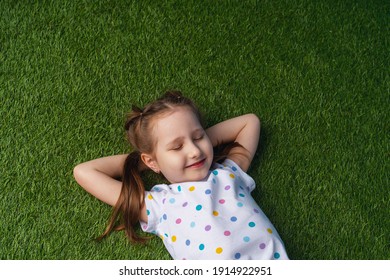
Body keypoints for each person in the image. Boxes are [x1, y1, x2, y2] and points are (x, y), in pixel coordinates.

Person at [73, 90, 288, 260]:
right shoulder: (159, 205)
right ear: (150, 160)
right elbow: (84, 172)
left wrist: (192, 144)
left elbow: (249, 122)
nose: (194, 151)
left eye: (199, 137)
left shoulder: (229, 172)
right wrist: (155, 161)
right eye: (177, 147)